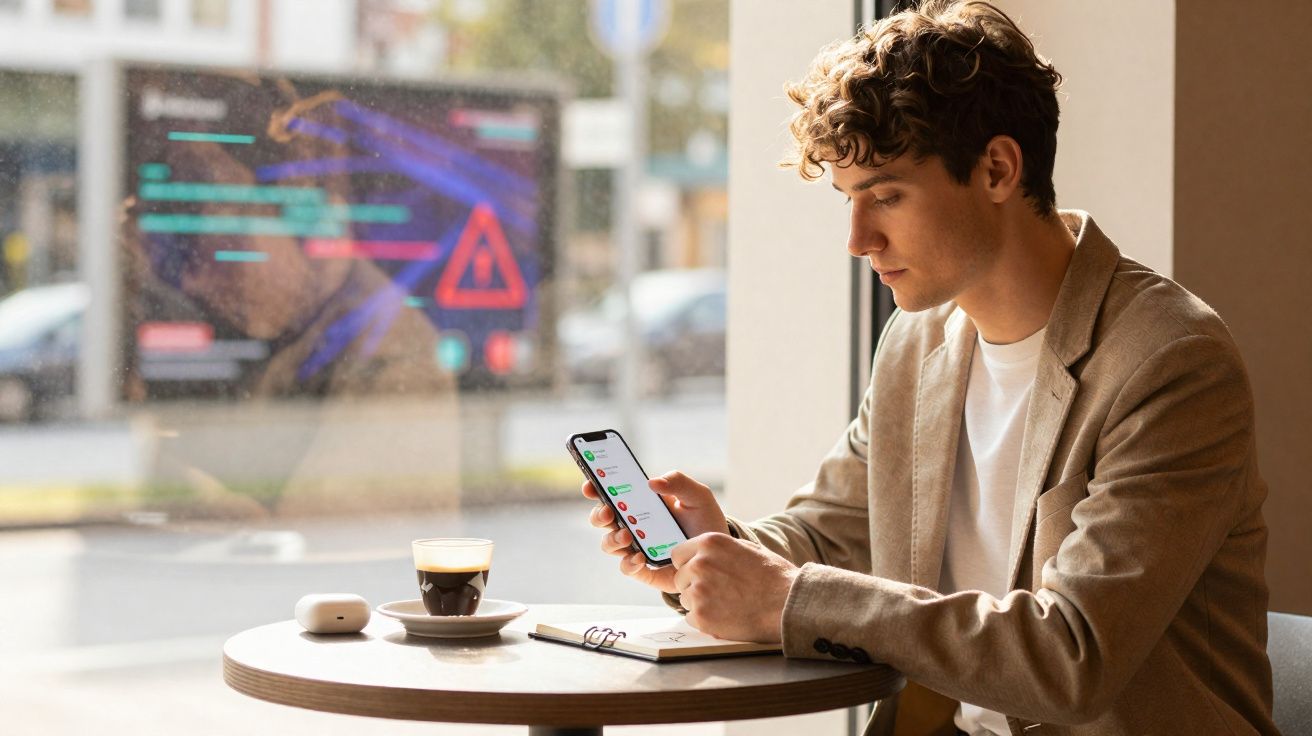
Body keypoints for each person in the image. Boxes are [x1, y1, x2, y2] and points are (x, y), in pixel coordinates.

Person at [581, 2, 1276, 734]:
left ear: (998, 169)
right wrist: (714, 548)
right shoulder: (917, 346)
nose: (857, 239)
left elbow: (1073, 656)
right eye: (849, 200)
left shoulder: (1170, 362)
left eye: (886, 195)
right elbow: (826, 538)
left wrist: (785, 595)